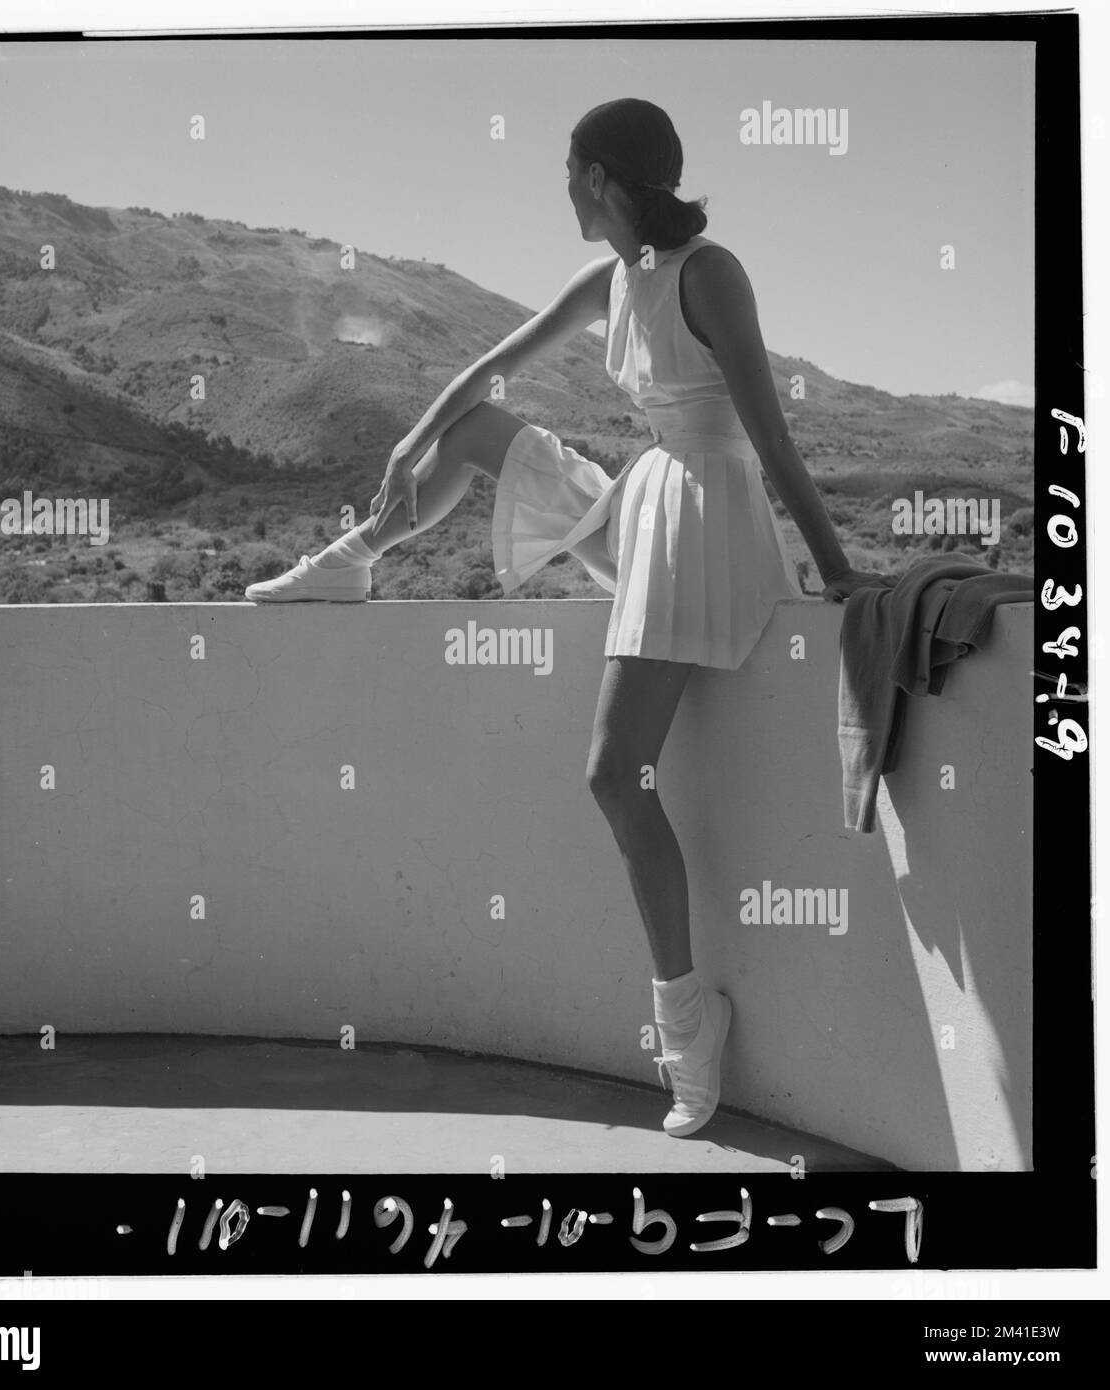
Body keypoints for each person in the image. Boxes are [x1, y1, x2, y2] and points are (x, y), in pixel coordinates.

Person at [246, 97, 882, 1137]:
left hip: (706, 521)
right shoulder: (611, 279)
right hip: (650, 506)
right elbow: (491, 368)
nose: (560, 189)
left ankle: (688, 1022)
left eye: (567, 171)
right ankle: (353, 561)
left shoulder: (710, 274)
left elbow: (769, 433)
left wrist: (839, 569)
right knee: (479, 431)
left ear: (597, 177)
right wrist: (415, 435)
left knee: (610, 771)